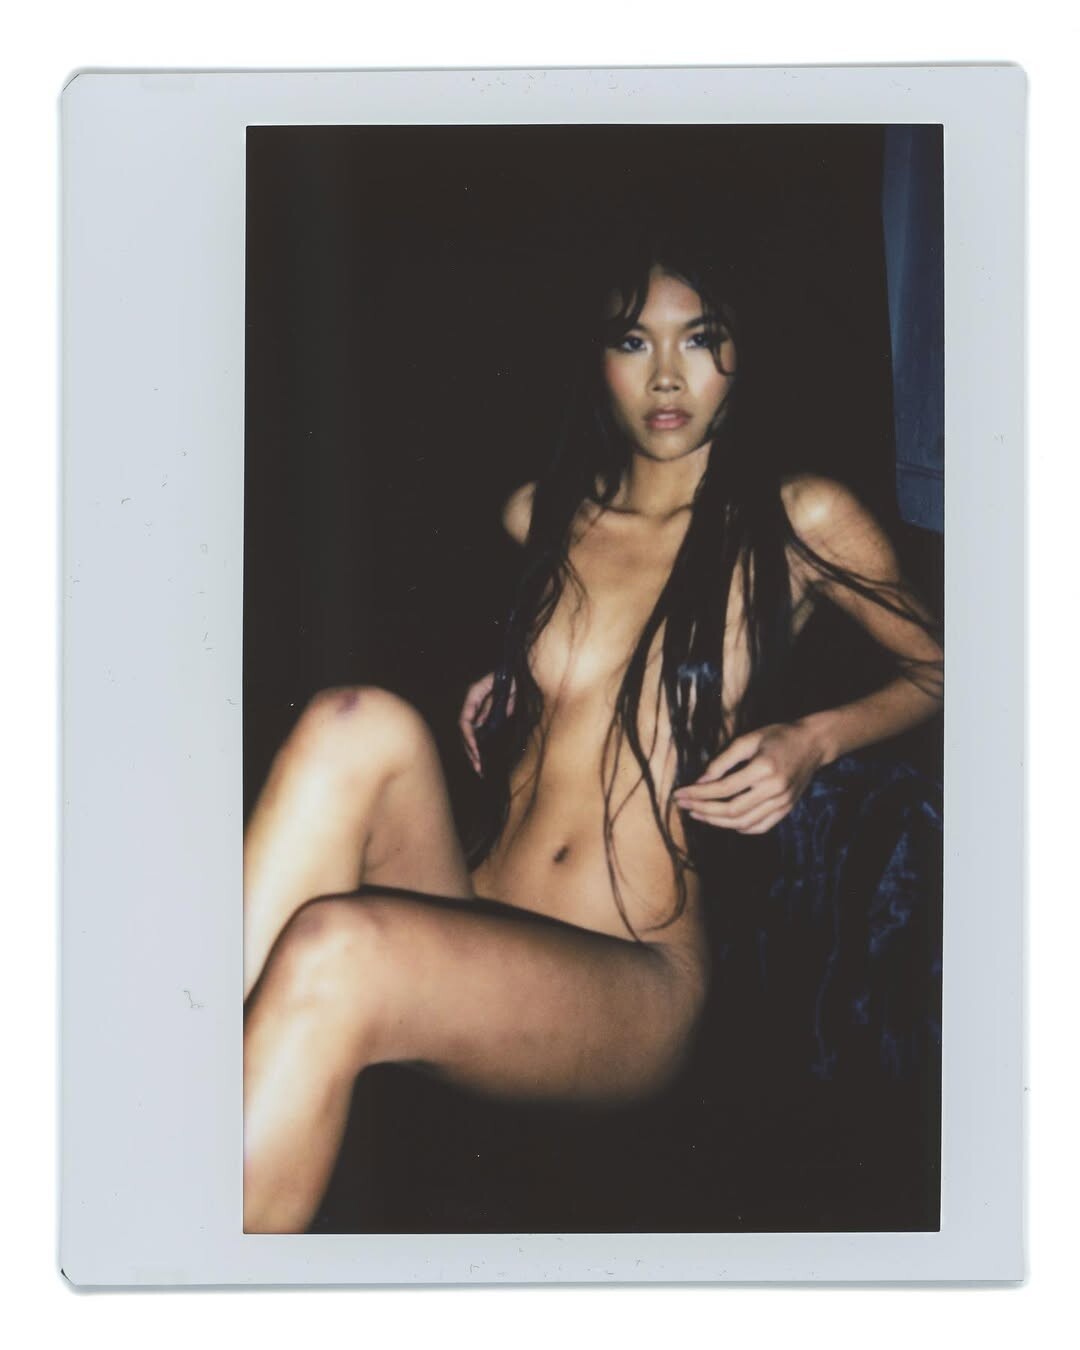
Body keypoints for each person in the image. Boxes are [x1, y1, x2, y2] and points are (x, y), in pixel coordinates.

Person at [242, 237, 943, 1234]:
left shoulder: (798, 517)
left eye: (700, 338)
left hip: (630, 969)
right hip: (477, 904)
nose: (666, 376)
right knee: (352, 720)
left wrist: (814, 740)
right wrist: (517, 675)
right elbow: (585, 680)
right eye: (632, 341)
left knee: (336, 948)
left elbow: (943, 668)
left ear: (741, 350)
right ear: (599, 359)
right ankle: (173, 1093)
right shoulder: (539, 516)